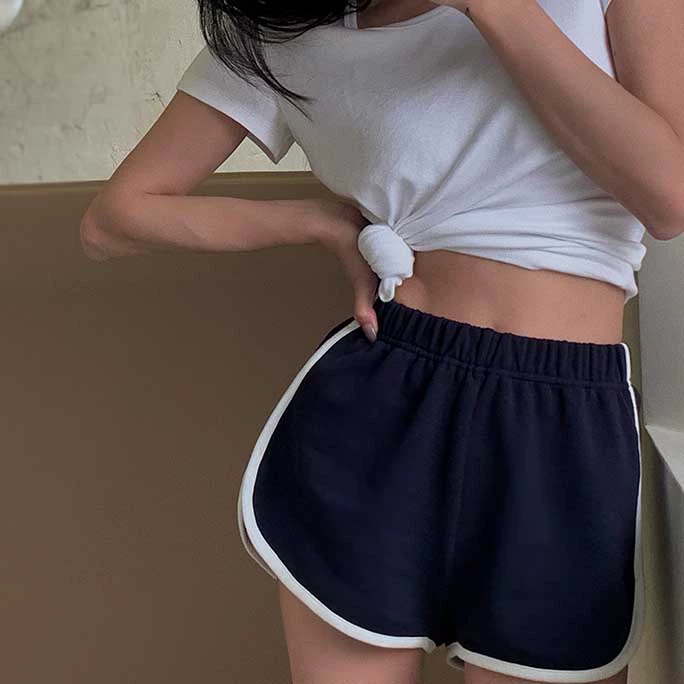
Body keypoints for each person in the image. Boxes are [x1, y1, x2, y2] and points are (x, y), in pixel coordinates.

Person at [80, 1, 683, 682]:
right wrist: (319, 222)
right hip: (381, 407)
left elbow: (669, 195)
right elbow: (112, 220)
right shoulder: (282, 32)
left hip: (560, 426)